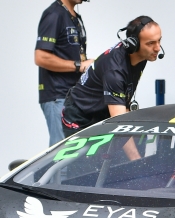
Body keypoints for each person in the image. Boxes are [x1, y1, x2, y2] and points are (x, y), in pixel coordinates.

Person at [61, 16, 163, 154]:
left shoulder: (142, 55)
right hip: (80, 117)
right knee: (87, 165)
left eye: (159, 40)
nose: (157, 48)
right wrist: (137, 160)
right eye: (151, 43)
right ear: (133, 44)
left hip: (102, 112)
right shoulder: (115, 71)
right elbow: (120, 125)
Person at [35, 0, 94, 146]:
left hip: (71, 97)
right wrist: (79, 66)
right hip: (57, 96)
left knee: (73, 154)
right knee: (62, 153)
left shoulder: (74, 17)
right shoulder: (54, 15)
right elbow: (41, 57)